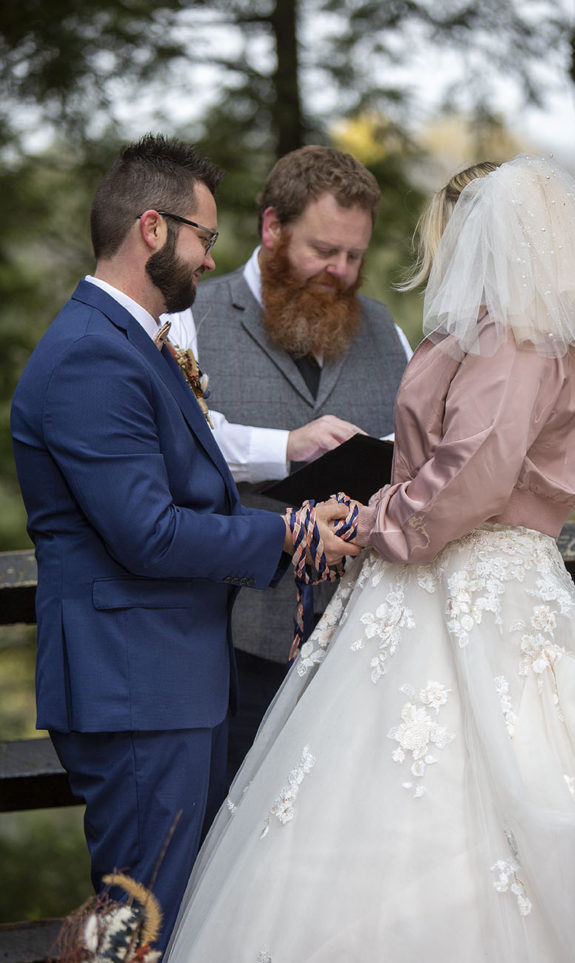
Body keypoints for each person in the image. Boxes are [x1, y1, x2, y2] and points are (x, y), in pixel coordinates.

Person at [151, 154, 575, 963]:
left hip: (472, 585)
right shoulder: (484, 332)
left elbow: (471, 473)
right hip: (407, 587)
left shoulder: (515, 338)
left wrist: (373, 523)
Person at [9, 134, 358, 963]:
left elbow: (187, 474)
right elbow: (149, 533)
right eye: (204, 234)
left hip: (171, 681)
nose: (212, 257)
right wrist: (289, 532)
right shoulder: (92, 356)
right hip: (134, 690)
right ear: (153, 230)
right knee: (138, 941)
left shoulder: (138, 341)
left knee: (180, 932)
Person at [169, 145, 411, 780]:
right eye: (323, 250)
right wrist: (287, 446)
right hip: (236, 642)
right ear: (273, 228)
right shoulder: (189, 318)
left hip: (367, 641)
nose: (339, 269)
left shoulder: (388, 331)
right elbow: (181, 444)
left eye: (354, 256)